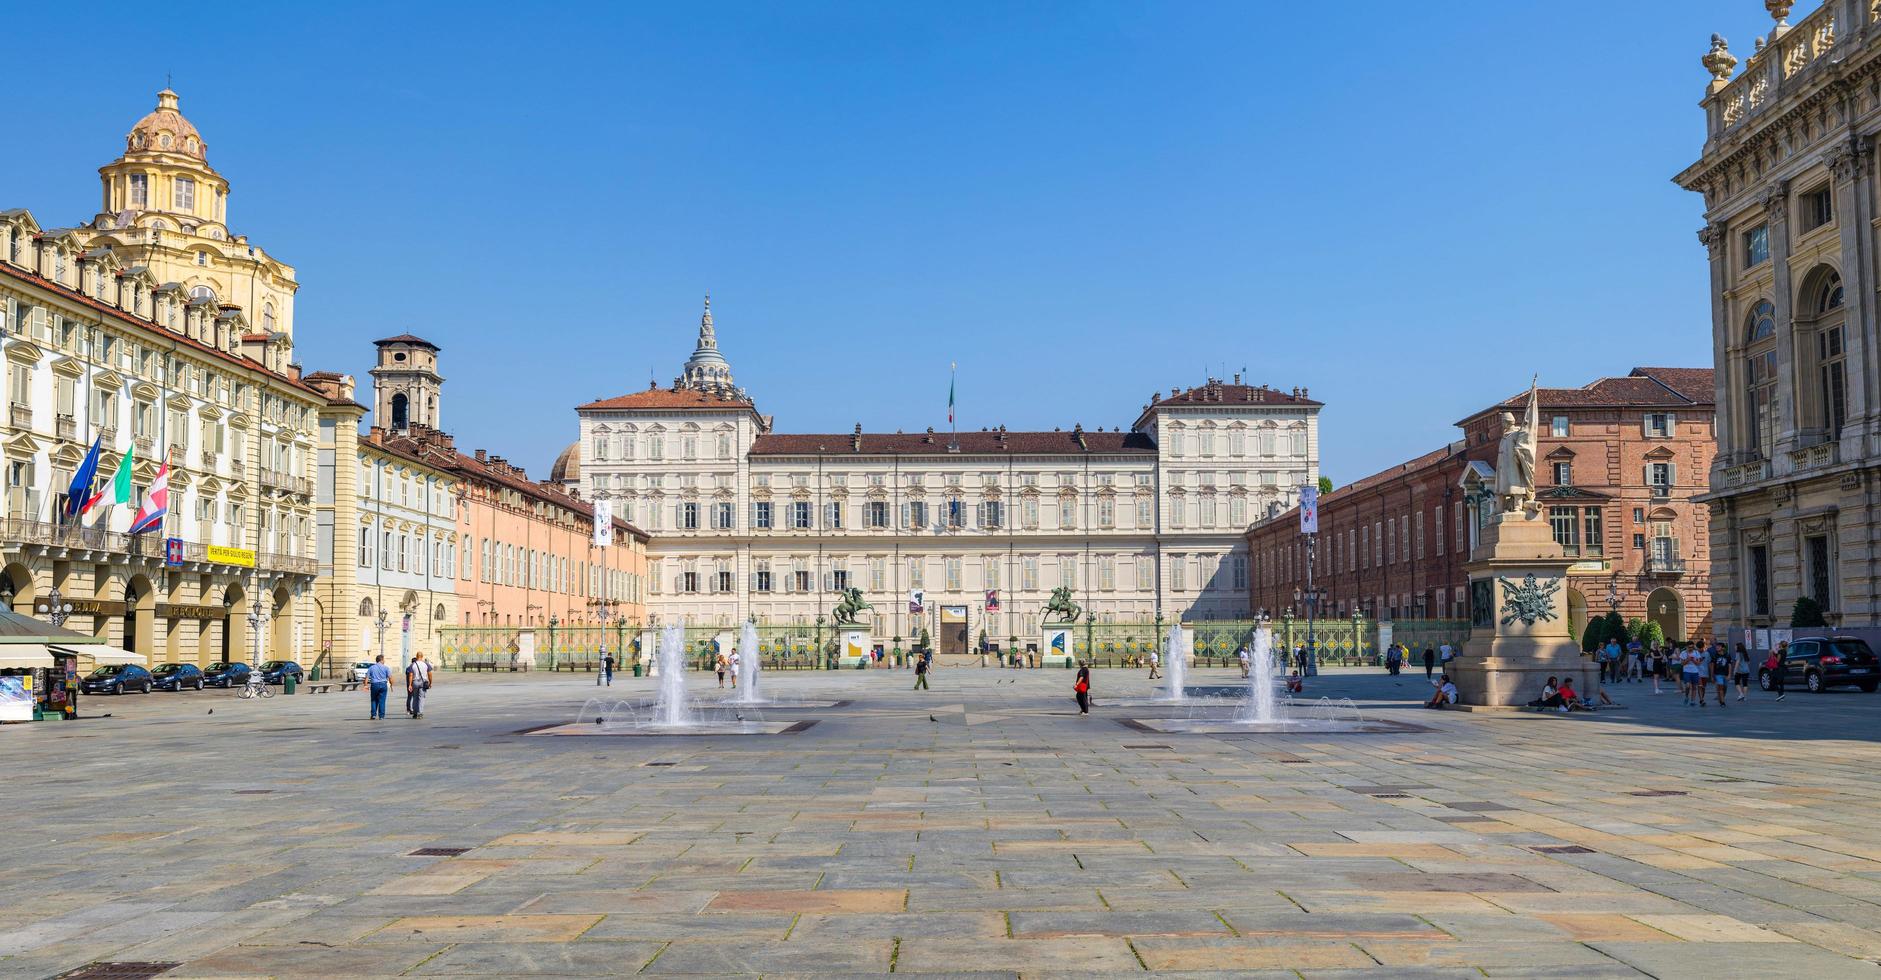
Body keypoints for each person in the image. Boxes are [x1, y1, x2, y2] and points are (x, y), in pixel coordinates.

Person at [406, 652, 432, 719]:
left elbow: (411, 675)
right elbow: (430, 674)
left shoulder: (413, 665)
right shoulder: (426, 664)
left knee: (415, 697)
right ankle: (420, 713)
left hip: (415, 682)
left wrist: (410, 685)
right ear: (422, 656)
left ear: (416, 656)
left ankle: (415, 713)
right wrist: (430, 682)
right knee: (421, 698)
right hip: (423, 682)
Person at [365, 653, 391, 720]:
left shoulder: (371, 667)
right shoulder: (386, 668)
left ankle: (373, 715)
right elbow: (390, 677)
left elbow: (367, 677)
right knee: (382, 700)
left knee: (374, 700)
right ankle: (381, 716)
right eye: (384, 660)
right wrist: (391, 684)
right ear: (381, 660)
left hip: (374, 685)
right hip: (383, 684)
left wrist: (366, 685)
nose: (384, 661)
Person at [1710, 642, 1731, 709]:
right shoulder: (1714, 655)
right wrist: (1712, 676)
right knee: (1721, 687)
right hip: (1718, 674)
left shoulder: (1727, 655)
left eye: (1719, 646)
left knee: (1725, 688)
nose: (1717, 647)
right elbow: (1712, 665)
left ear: (1723, 648)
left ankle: (1721, 697)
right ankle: (1722, 702)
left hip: (1725, 674)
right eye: (1716, 646)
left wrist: (1729, 674)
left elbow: (1730, 665)